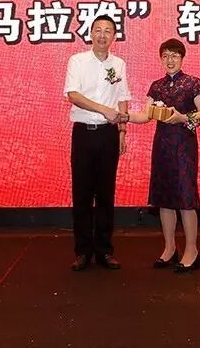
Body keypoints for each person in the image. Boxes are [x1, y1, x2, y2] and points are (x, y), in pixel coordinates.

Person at [128, 38, 200, 273]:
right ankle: (170, 248)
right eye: (165, 56)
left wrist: (182, 117)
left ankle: (192, 251)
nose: (169, 60)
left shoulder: (193, 83)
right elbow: (146, 115)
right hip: (162, 146)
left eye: (174, 55)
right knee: (164, 197)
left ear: (182, 58)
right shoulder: (156, 86)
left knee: (185, 197)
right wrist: (123, 115)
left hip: (184, 146)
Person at [63, 15, 130, 271]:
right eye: (98, 30)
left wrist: (122, 131)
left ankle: (104, 250)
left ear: (114, 36)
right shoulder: (77, 61)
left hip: (108, 134)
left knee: (105, 193)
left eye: (108, 31)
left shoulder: (119, 64)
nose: (102, 35)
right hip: (83, 133)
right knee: (82, 193)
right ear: (90, 33)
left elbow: (122, 97)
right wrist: (103, 109)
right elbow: (73, 95)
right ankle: (82, 251)